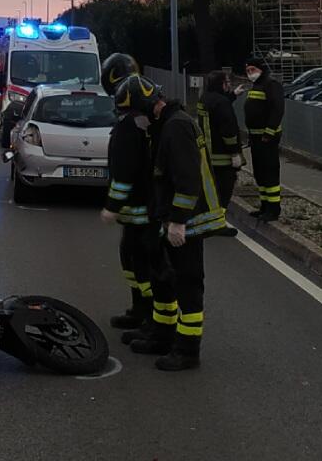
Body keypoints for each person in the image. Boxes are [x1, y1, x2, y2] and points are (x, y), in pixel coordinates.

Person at [117, 74, 225, 371]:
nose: (138, 120)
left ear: (150, 106)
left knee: (188, 285)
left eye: (138, 112)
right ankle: (162, 334)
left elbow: (187, 180)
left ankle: (188, 350)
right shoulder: (167, 124)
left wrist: (178, 221)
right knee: (164, 278)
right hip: (172, 219)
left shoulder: (176, 126)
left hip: (188, 222)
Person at [98, 54, 155, 331]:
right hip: (143, 210)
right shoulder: (144, 121)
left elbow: (124, 170)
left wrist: (112, 204)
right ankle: (140, 309)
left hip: (140, 211)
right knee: (133, 261)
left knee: (142, 264)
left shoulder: (128, 126)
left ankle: (149, 314)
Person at [197, 71, 243, 232]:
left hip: (207, 155)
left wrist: (232, 96)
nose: (229, 85)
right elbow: (228, 131)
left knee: (210, 191)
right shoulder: (221, 102)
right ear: (220, 84)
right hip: (222, 156)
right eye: (227, 82)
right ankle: (217, 224)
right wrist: (235, 153)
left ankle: (206, 220)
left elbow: (217, 109)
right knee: (224, 191)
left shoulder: (204, 99)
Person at [243, 56, 285, 222]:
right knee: (259, 173)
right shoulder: (257, 85)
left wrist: (269, 133)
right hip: (256, 137)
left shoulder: (271, 85)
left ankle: (273, 209)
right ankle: (264, 206)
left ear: (260, 69)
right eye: (247, 71)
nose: (249, 73)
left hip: (268, 138)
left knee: (269, 173)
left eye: (252, 70)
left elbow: (277, 110)